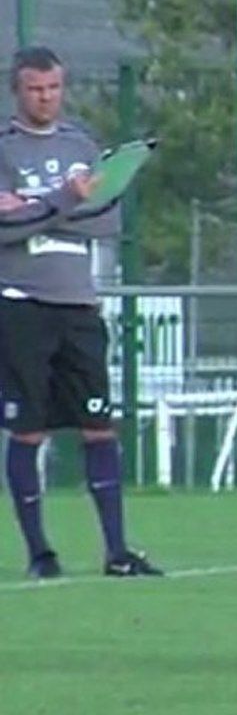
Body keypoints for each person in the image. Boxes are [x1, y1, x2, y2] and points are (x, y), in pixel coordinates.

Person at [0, 45, 163, 579]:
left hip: (79, 306)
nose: (45, 97)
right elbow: (5, 230)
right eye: (34, 89)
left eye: (52, 88)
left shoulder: (82, 144)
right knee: (28, 431)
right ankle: (40, 555)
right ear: (17, 91)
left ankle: (118, 552)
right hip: (22, 305)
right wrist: (64, 202)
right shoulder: (3, 147)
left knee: (99, 425)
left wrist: (39, 207)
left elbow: (104, 219)